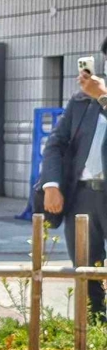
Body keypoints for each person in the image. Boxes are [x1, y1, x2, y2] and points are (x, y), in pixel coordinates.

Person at [41, 39, 107, 320]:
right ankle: (94, 325)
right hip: (82, 196)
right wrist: (51, 184)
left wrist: (104, 97)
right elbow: (55, 144)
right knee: (85, 265)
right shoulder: (81, 100)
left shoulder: (99, 96)